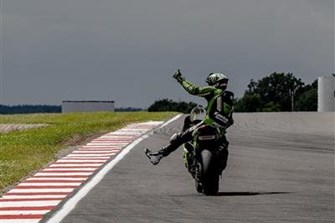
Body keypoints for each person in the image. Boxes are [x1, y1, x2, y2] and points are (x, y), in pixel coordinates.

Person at [145, 69, 234, 172]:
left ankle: (159, 154)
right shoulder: (230, 96)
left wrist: (181, 79)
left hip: (208, 123)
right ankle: (218, 166)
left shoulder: (213, 91)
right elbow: (231, 121)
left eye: (210, 82)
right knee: (224, 144)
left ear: (214, 82)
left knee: (181, 137)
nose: (209, 84)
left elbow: (193, 90)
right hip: (220, 129)